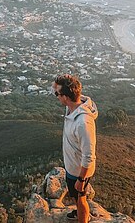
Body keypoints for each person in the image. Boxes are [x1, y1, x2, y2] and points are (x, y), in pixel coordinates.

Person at [52, 74, 98, 223]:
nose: (56, 96)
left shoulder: (83, 123)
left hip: (79, 171)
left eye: (57, 93)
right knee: (75, 196)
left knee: (80, 197)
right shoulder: (72, 107)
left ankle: (83, 216)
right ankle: (79, 211)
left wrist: (82, 179)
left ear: (66, 97)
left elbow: (89, 155)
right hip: (73, 167)